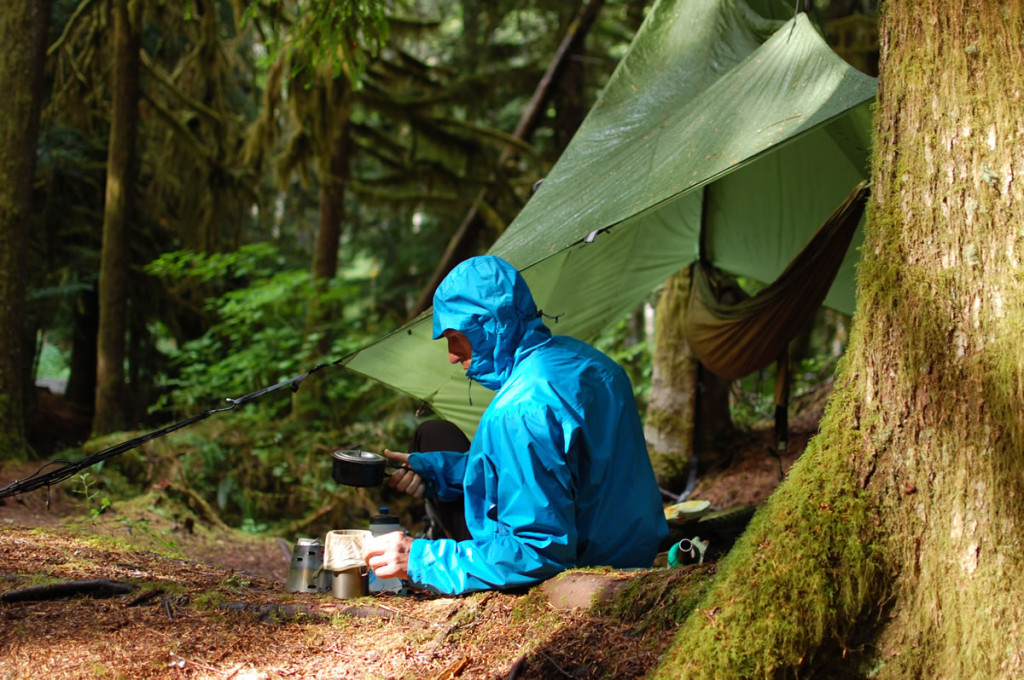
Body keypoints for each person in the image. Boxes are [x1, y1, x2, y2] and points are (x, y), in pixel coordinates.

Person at [362, 255, 668, 595]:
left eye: (455, 337)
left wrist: (420, 558)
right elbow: (565, 470)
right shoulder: (593, 364)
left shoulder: (519, 409)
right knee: (433, 437)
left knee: (433, 434)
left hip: (586, 571)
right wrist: (435, 471)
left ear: (489, 327)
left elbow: (537, 551)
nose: (451, 355)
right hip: (631, 551)